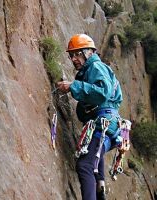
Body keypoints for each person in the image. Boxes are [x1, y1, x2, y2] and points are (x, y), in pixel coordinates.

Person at [57, 34, 123, 200]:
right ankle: (100, 183)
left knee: (84, 165)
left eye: (77, 54)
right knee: (93, 159)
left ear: (89, 52)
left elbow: (102, 92)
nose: (74, 59)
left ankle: (98, 185)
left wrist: (73, 85)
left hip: (104, 122)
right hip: (109, 125)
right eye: (71, 55)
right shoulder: (93, 70)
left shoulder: (96, 67)